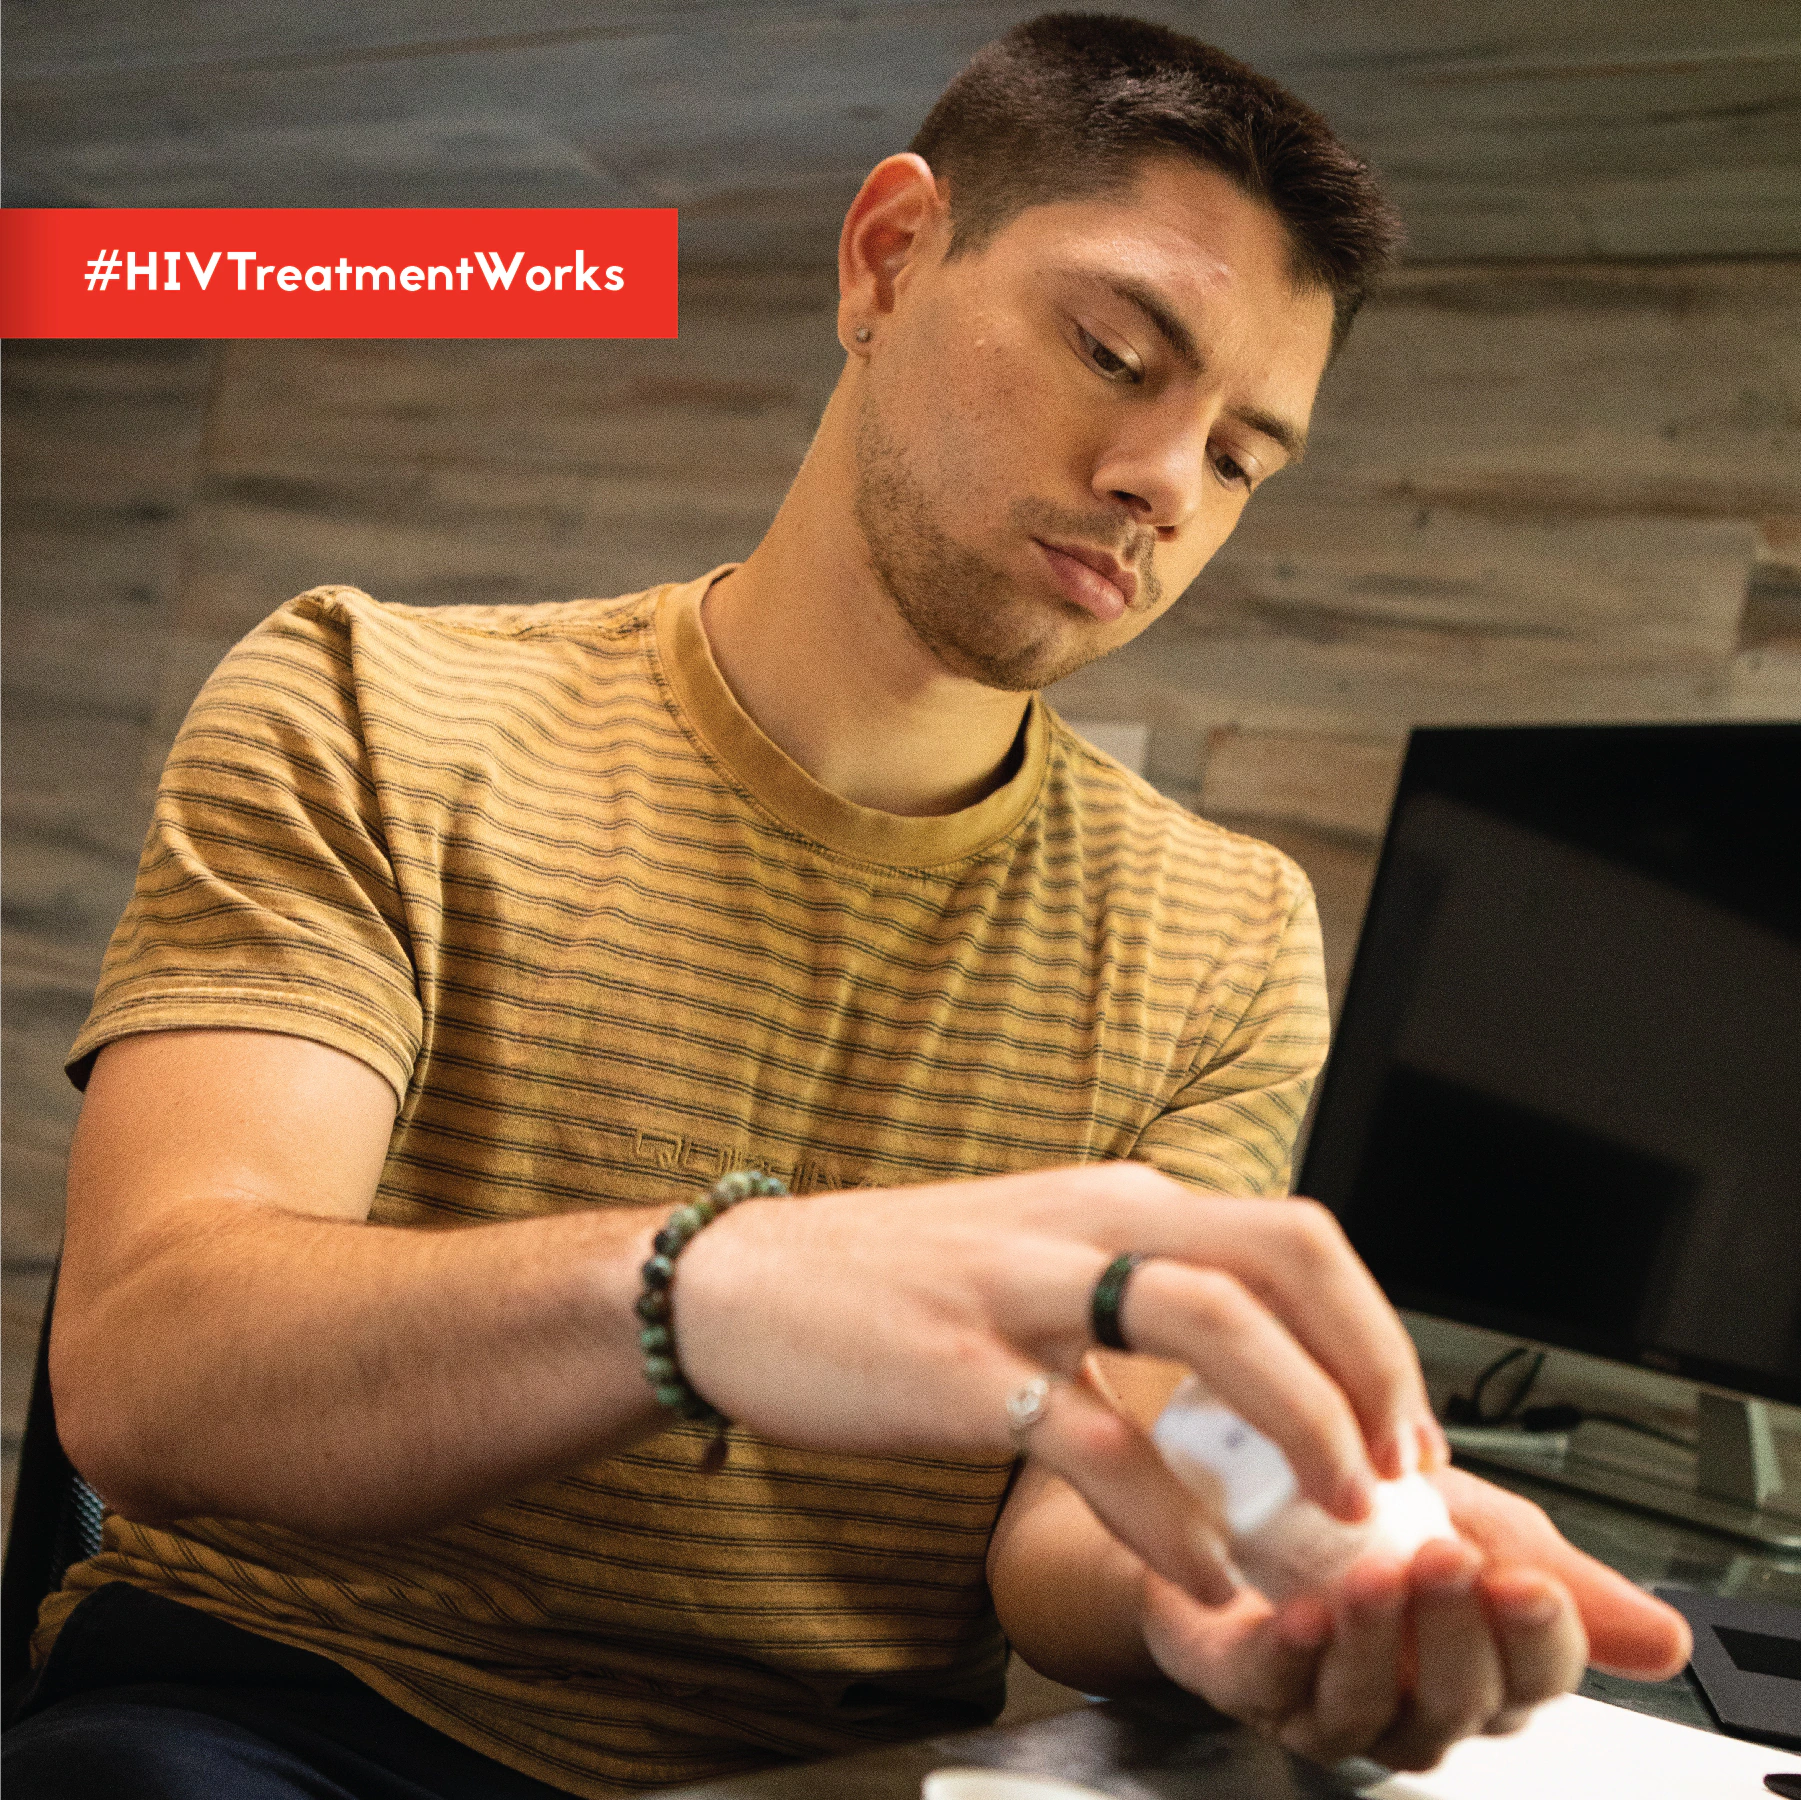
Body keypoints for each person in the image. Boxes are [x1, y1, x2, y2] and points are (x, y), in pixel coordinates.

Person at [6, 14, 1687, 1798]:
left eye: (1248, 459)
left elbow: (1067, 1521)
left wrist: (1232, 1591)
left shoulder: (1221, 938)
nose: (1167, 485)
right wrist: (703, 1293)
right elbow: (152, 1371)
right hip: (276, 1718)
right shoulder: (369, 703)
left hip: (819, 1777)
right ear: (889, 258)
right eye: (1120, 352)